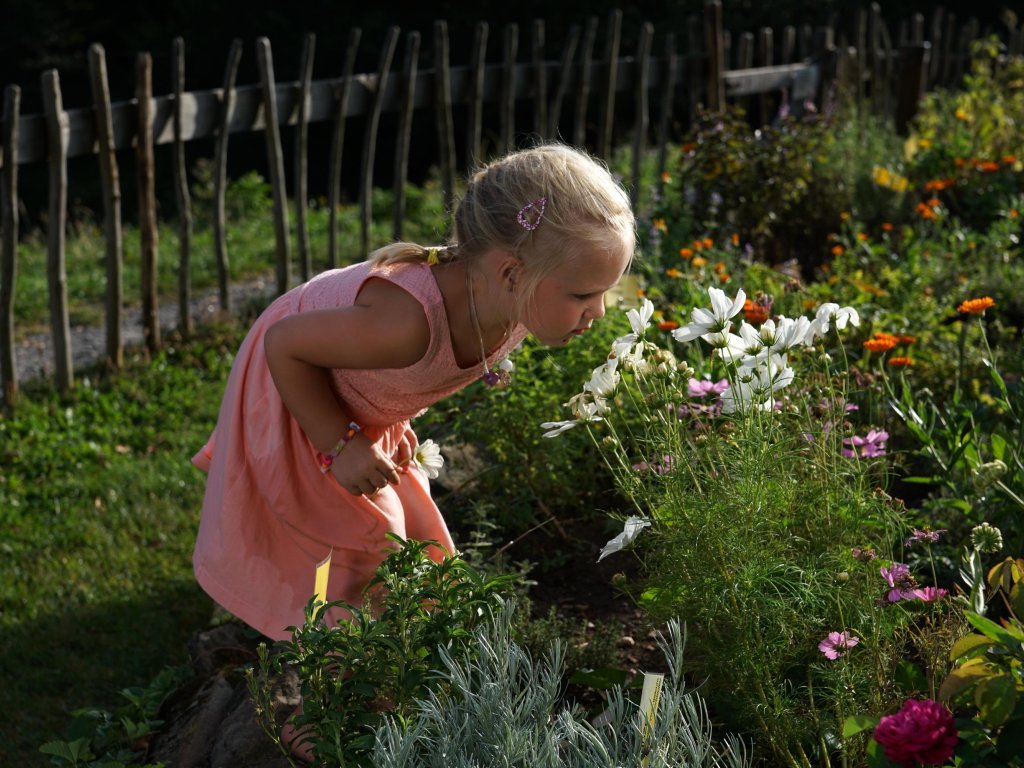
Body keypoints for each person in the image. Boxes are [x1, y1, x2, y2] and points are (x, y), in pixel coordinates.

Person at [191, 143, 635, 645]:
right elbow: (283, 345)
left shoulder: (508, 302)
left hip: (357, 405)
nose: (597, 312)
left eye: (603, 293)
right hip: (301, 396)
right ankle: (330, 688)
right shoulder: (406, 325)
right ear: (510, 274)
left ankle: (398, 666)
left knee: (418, 554)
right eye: (582, 295)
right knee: (361, 554)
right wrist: (340, 444)